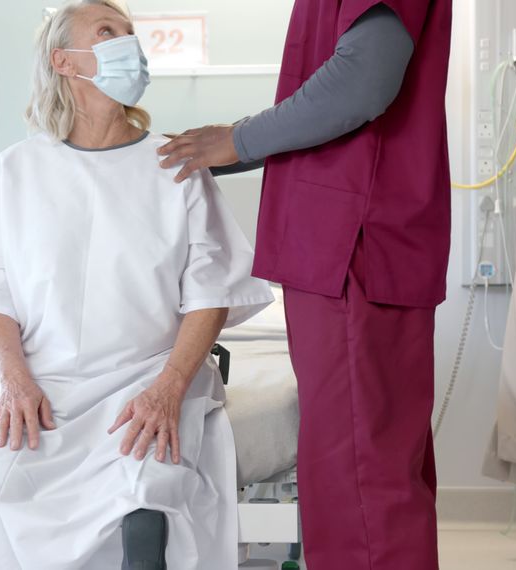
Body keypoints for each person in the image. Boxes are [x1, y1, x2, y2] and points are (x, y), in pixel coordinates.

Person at [0, 1, 272, 568]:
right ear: (64, 61)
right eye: (108, 32)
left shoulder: (176, 165)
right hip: (42, 380)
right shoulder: (17, 169)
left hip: (146, 377)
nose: (127, 45)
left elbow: (212, 291)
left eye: (130, 34)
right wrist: (14, 381)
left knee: (147, 500)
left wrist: (169, 388)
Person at [158, 1, 452, 568]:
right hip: (358, 240)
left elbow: (362, 82)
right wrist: (234, 148)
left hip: (353, 244)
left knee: (359, 477)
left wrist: (238, 139)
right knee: (373, 467)